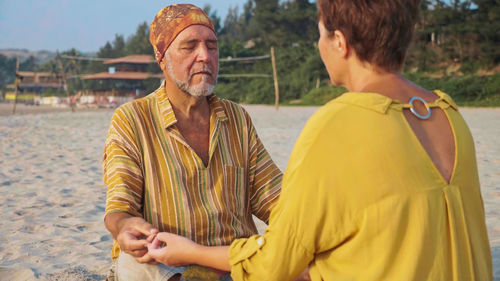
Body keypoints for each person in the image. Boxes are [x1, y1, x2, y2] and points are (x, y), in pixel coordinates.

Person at [145, 0, 494, 280]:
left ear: (339, 42)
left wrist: (190, 252)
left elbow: (273, 264)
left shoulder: (338, 123)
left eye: (321, 35)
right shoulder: (448, 114)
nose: (319, 45)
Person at [102, 4, 282, 281]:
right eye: (189, 47)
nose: (205, 56)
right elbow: (119, 207)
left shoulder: (237, 119)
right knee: (133, 264)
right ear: (162, 57)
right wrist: (126, 225)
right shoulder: (132, 120)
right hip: (169, 267)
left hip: (231, 264)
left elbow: (276, 200)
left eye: (212, 46)